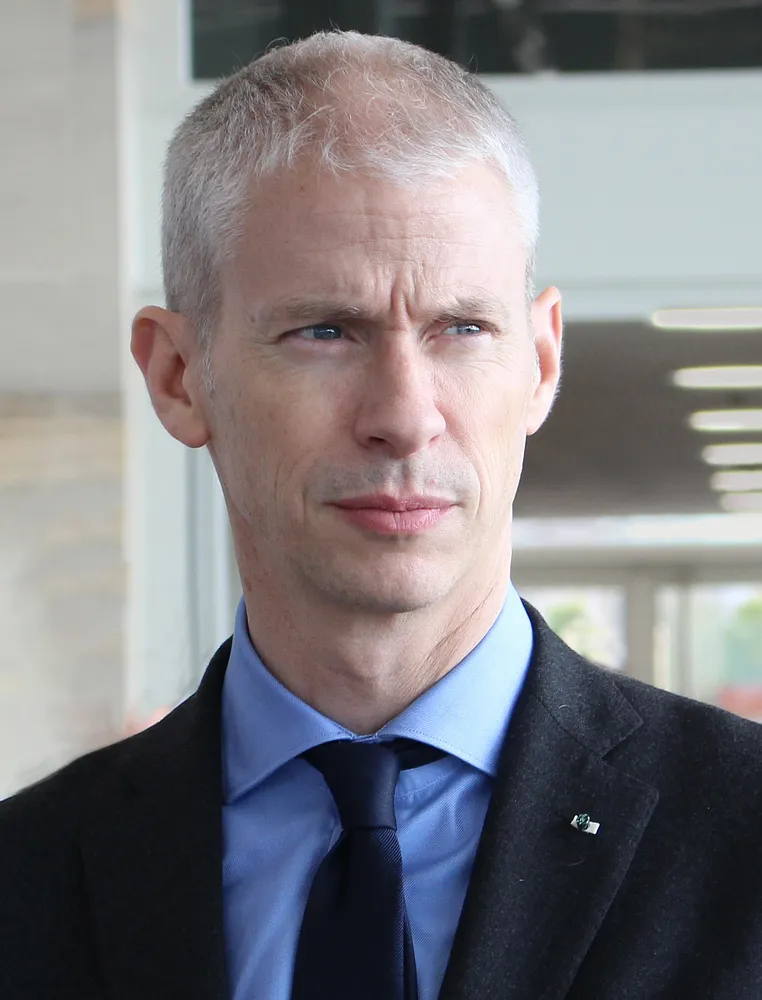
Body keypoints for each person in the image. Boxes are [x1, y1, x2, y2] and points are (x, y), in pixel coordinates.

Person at [2, 30, 762, 1000]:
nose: (404, 415)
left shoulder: (742, 838)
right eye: (325, 331)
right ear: (179, 376)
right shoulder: (25, 882)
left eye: (462, 328)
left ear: (540, 363)